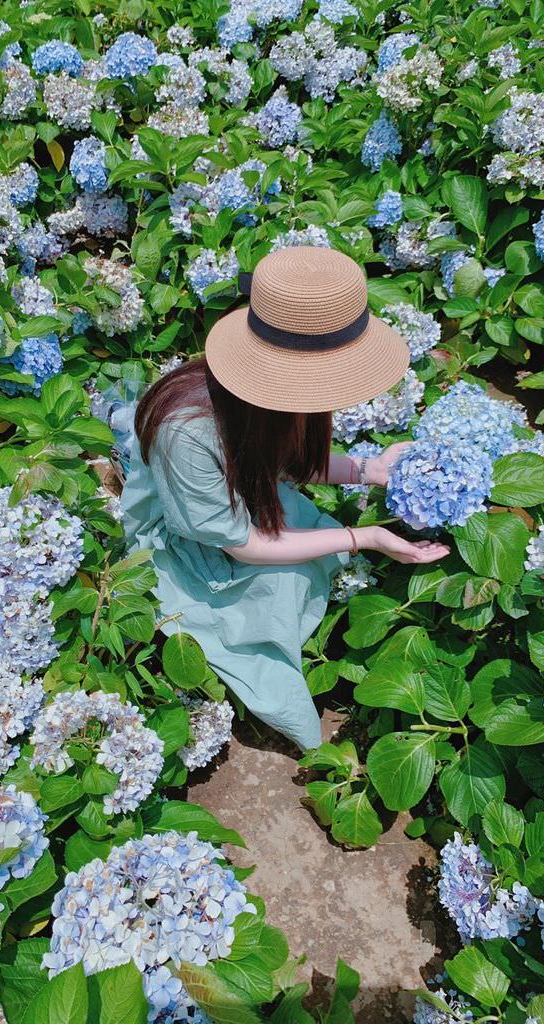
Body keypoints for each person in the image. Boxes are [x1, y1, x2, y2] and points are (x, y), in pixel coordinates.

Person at [121, 247, 449, 751]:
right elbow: (243, 544)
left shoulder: (267, 400)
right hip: (205, 534)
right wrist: (363, 536)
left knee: (305, 542)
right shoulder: (186, 432)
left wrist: (370, 469)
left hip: (245, 496)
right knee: (275, 601)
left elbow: (288, 460)